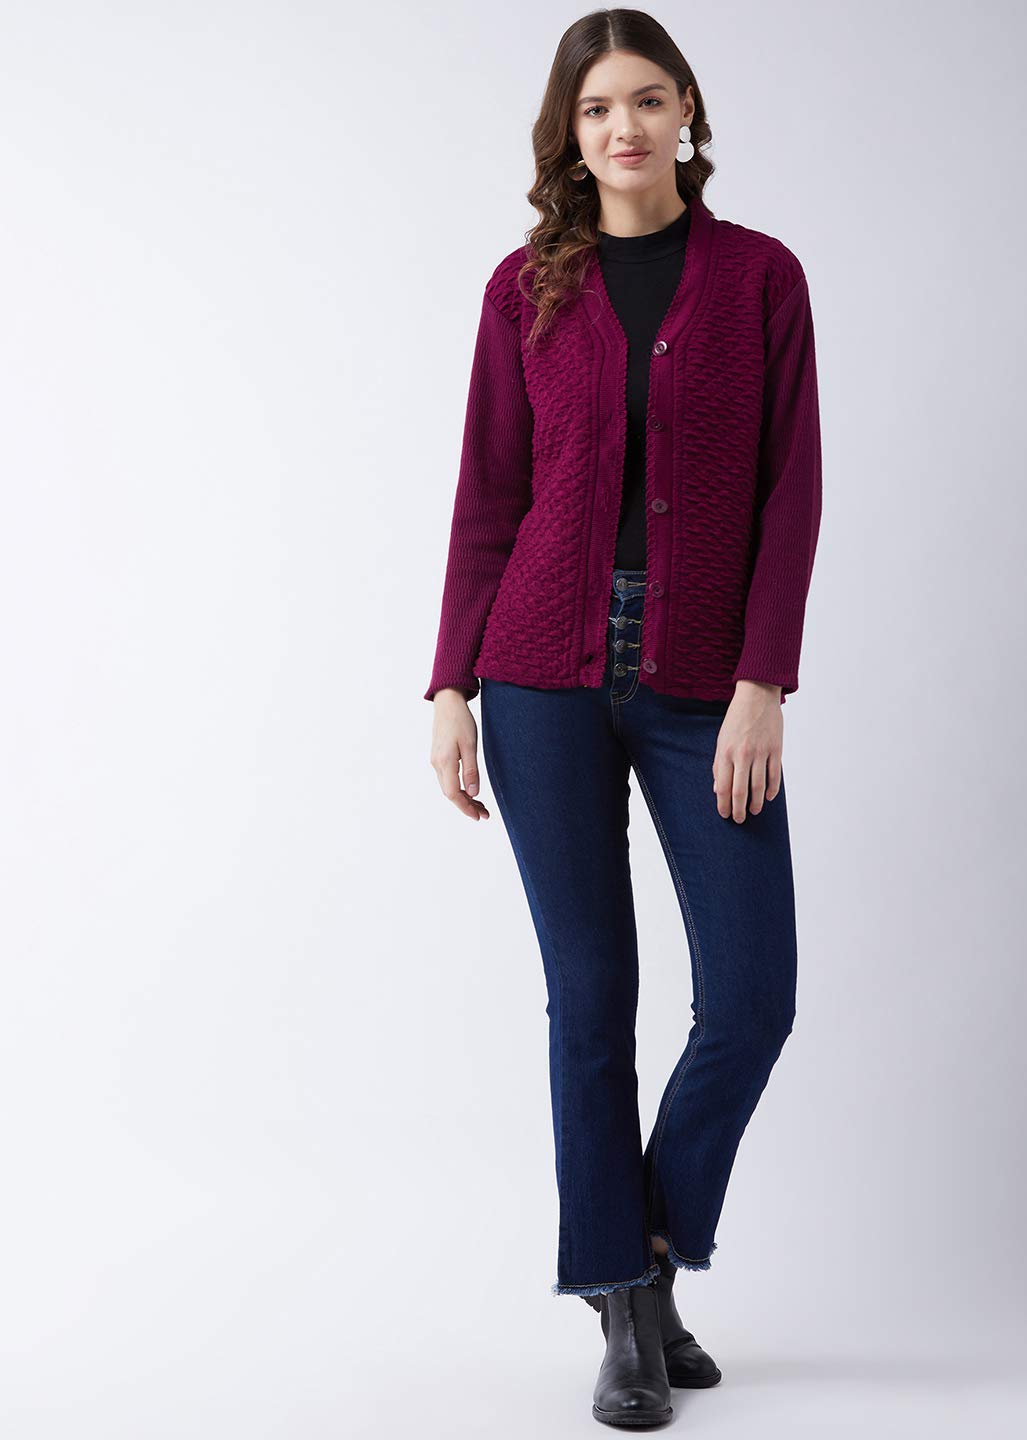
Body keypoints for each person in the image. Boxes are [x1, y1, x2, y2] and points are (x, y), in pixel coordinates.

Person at [424, 9, 822, 1429]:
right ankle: (626, 1313)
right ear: (569, 132)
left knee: (753, 998)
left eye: (648, 99)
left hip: (707, 679)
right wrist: (452, 682)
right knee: (591, 1000)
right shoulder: (522, 289)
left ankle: (637, 1253)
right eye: (597, 108)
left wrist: (764, 683)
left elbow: (792, 493)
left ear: (687, 110)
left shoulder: (761, 278)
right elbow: (488, 496)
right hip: (538, 673)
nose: (625, 128)